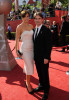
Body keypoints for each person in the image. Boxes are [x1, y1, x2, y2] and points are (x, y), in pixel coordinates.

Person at [33, 12, 52, 100]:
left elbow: (49, 45)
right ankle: (41, 85)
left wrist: (47, 57)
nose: (37, 20)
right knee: (39, 72)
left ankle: (46, 90)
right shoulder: (34, 30)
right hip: (36, 57)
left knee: (45, 74)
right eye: (36, 18)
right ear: (34, 20)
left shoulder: (46, 30)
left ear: (42, 19)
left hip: (44, 57)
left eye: (39, 18)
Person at [15, 10, 34, 94]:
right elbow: (16, 40)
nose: (26, 18)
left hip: (32, 49)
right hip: (25, 50)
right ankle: (28, 83)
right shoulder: (19, 27)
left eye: (27, 16)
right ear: (22, 18)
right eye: (25, 16)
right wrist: (16, 50)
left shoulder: (31, 26)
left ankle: (27, 80)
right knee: (29, 65)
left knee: (30, 65)